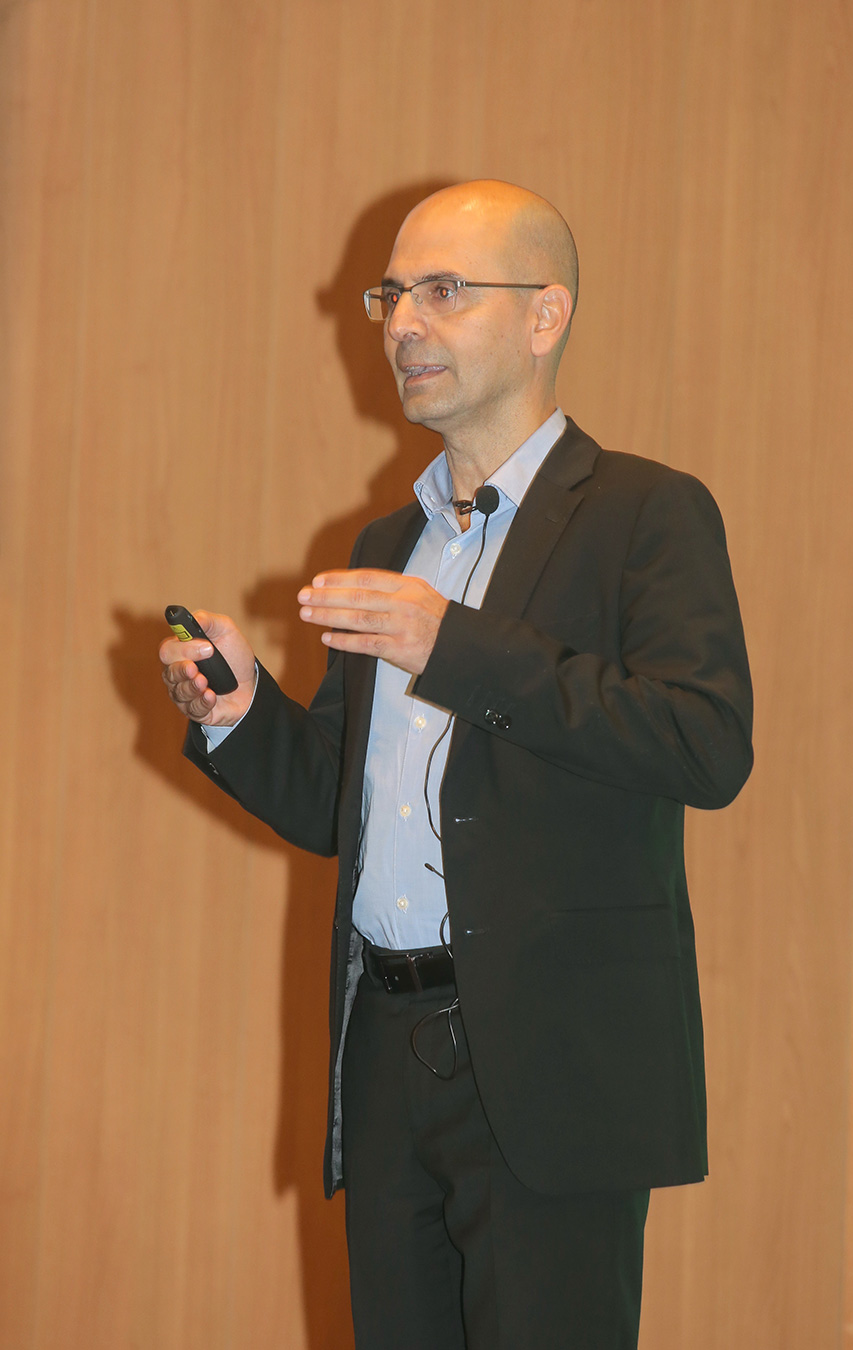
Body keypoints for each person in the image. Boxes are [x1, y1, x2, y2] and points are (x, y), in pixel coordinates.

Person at [159, 180, 753, 1350]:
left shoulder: (644, 515)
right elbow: (339, 803)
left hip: (551, 1059)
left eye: (442, 291)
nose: (402, 325)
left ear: (545, 314)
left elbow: (703, 740)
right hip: (386, 1050)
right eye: (391, 296)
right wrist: (242, 715)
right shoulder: (391, 544)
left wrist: (455, 645)